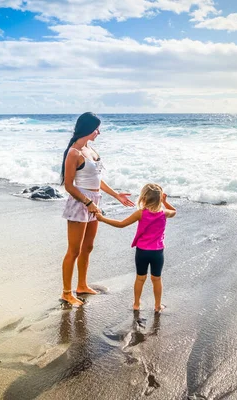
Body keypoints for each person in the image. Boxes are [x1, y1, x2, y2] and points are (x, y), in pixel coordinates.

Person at [60, 112, 135, 307]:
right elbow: (69, 185)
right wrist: (87, 203)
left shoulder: (91, 150)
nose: (99, 132)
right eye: (96, 129)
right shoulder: (74, 153)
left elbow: (98, 180)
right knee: (74, 250)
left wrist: (116, 195)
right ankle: (67, 293)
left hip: (95, 200)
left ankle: (82, 285)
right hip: (80, 203)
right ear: (88, 128)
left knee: (88, 247)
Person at [96, 183, 176, 312]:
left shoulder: (141, 213)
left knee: (140, 278)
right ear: (159, 198)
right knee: (157, 279)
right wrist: (165, 202)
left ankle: (136, 304)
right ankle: (157, 306)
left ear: (143, 198)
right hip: (157, 253)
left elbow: (121, 224)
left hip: (142, 251)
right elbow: (174, 212)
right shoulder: (164, 213)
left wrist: (102, 219)